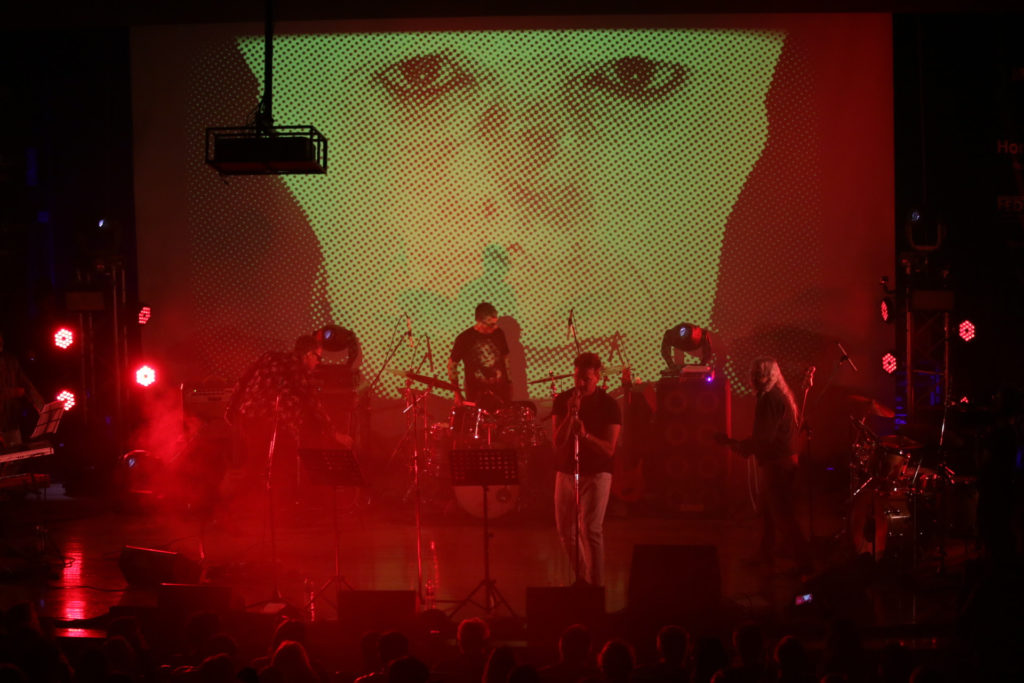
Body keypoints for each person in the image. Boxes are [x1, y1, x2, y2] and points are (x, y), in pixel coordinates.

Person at [224, 335, 352, 509]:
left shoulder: (269, 356)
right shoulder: (299, 369)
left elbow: (243, 379)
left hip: (249, 416)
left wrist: (231, 408)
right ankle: (274, 509)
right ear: (308, 354)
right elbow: (313, 403)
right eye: (318, 357)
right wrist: (335, 434)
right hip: (274, 424)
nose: (318, 362)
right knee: (281, 468)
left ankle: (243, 509)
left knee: (255, 463)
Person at [734, 357, 812, 574]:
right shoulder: (780, 396)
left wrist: (745, 446)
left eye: (761, 375)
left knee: (783, 517)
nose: (756, 379)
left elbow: (764, 437)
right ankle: (764, 555)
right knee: (767, 512)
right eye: (755, 375)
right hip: (784, 461)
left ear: (770, 377)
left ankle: (804, 563)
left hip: (776, 463)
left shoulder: (768, 399)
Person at [552, 352, 621, 586]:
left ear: (598, 376)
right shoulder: (563, 400)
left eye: (586, 379)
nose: (580, 384)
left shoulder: (609, 405)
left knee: (590, 529)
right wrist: (569, 415)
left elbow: (609, 449)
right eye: (577, 378)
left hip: (598, 472)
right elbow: (558, 441)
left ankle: (597, 586)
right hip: (567, 470)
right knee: (566, 530)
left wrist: (586, 435)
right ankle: (582, 579)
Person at [447, 302, 512, 411]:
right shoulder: (464, 338)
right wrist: (457, 394)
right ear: (479, 321)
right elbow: (452, 366)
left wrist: (509, 383)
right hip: (476, 394)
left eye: (495, 323)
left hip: (500, 392)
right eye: (491, 324)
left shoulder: (499, 333)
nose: (495, 327)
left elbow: (506, 359)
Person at [0, 332, 45, 447]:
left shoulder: (10, 360)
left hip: (11, 422)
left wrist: (42, 409)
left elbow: (27, 385)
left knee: (16, 459)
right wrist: (12, 392)